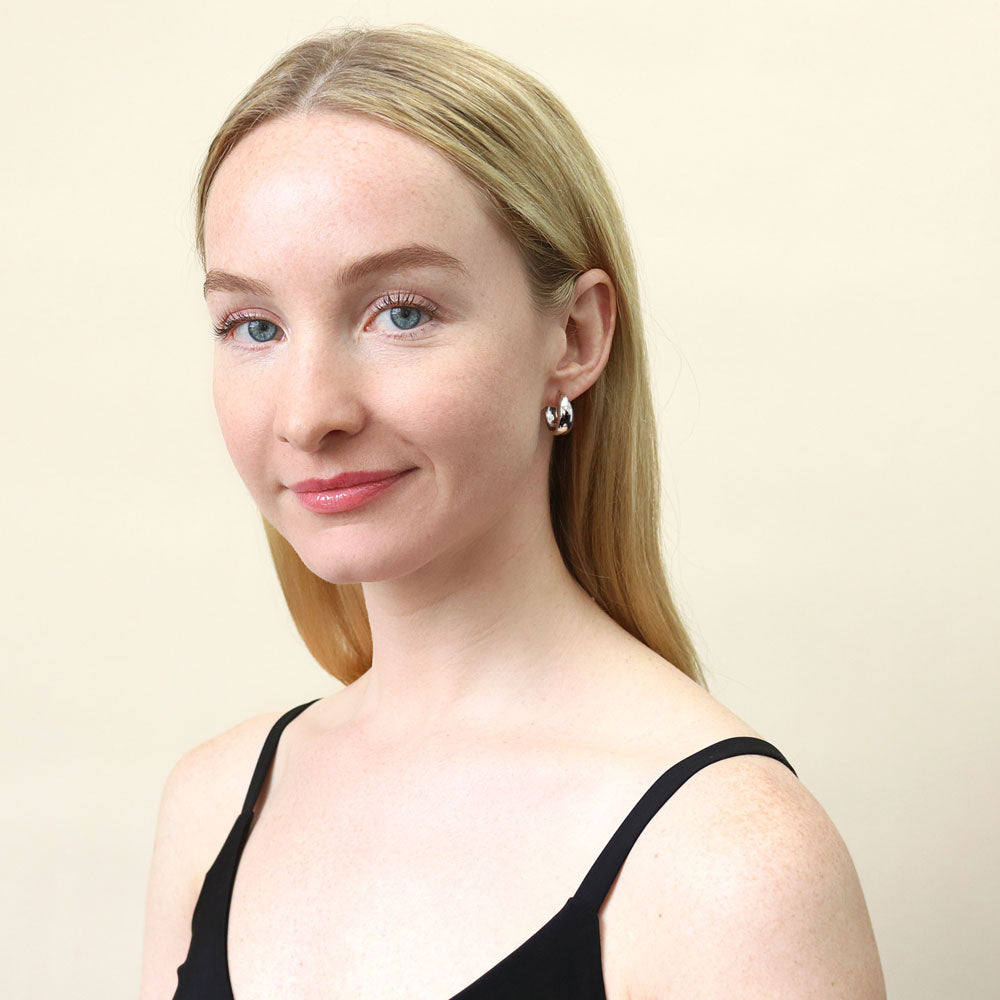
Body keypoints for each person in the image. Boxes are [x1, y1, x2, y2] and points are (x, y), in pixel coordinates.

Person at [139, 23, 886, 999]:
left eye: (401, 311)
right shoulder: (213, 805)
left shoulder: (729, 862)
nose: (309, 412)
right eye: (254, 325)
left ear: (574, 335)